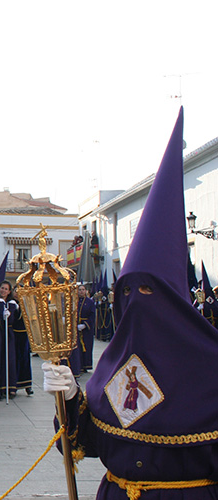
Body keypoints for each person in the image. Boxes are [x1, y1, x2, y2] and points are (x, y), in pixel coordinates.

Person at [43, 109, 218, 499]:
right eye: (128, 291)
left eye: (150, 291)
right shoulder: (115, 363)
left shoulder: (210, 366)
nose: (138, 301)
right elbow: (86, 443)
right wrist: (70, 398)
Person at [12, 286, 33, 395]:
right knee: (13, 360)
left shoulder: (26, 304)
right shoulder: (10, 303)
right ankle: (13, 385)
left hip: (23, 335)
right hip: (13, 334)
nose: (17, 294)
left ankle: (27, 385)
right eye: (16, 291)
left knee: (25, 359)